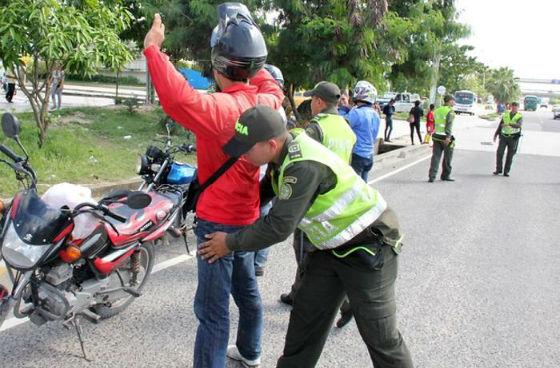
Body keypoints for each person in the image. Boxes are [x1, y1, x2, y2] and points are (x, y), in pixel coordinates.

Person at [198, 105, 414, 368]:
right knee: (305, 321)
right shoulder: (283, 153)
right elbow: (264, 193)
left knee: (381, 337)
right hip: (329, 248)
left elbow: (279, 226)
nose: (243, 155)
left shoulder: (303, 165)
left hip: (369, 245)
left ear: (271, 144)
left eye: (247, 148)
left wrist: (229, 243)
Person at [143, 5, 284, 368]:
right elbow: (270, 82)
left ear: (218, 64)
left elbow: (177, 98)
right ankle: (251, 352)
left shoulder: (218, 110)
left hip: (217, 226)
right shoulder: (266, 100)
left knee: (212, 312)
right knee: (248, 291)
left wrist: (153, 49)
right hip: (250, 218)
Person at [279, 81, 356, 307]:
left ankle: (342, 302)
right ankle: (297, 292)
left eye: (312, 99)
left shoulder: (316, 128)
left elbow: (302, 162)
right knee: (327, 251)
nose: (311, 103)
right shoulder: (346, 127)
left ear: (320, 102)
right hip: (338, 197)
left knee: (304, 251)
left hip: (315, 200)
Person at [254, 63, 288, 277]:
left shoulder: (270, 111)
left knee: (263, 216)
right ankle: (256, 261)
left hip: (263, 172)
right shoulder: (275, 109)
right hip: (265, 171)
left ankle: (256, 261)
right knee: (261, 216)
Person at [345, 80, 380, 181]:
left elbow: (342, 124)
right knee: (364, 186)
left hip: (357, 155)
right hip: (369, 155)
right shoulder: (375, 114)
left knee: (353, 187)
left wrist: (343, 109)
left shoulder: (357, 113)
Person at [428, 95, 456, 182]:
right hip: (445, 138)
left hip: (436, 136)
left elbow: (434, 122)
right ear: (449, 101)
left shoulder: (437, 110)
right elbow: (449, 125)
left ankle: (432, 176)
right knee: (448, 158)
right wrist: (448, 137)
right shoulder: (450, 112)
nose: (454, 102)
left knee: (435, 157)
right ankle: (445, 175)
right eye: (453, 101)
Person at [493, 102, 522, 177]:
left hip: (513, 138)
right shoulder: (506, 115)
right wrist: (496, 134)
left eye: (516, 107)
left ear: (518, 108)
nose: (514, 108)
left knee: (510, 155)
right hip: (503, 136)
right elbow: (500, 125)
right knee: (499, 153)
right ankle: (498, 169)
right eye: (513, 107)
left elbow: (519, 126)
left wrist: (509, 124)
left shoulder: (519, 116)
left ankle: (506, 171)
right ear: (511, 107)